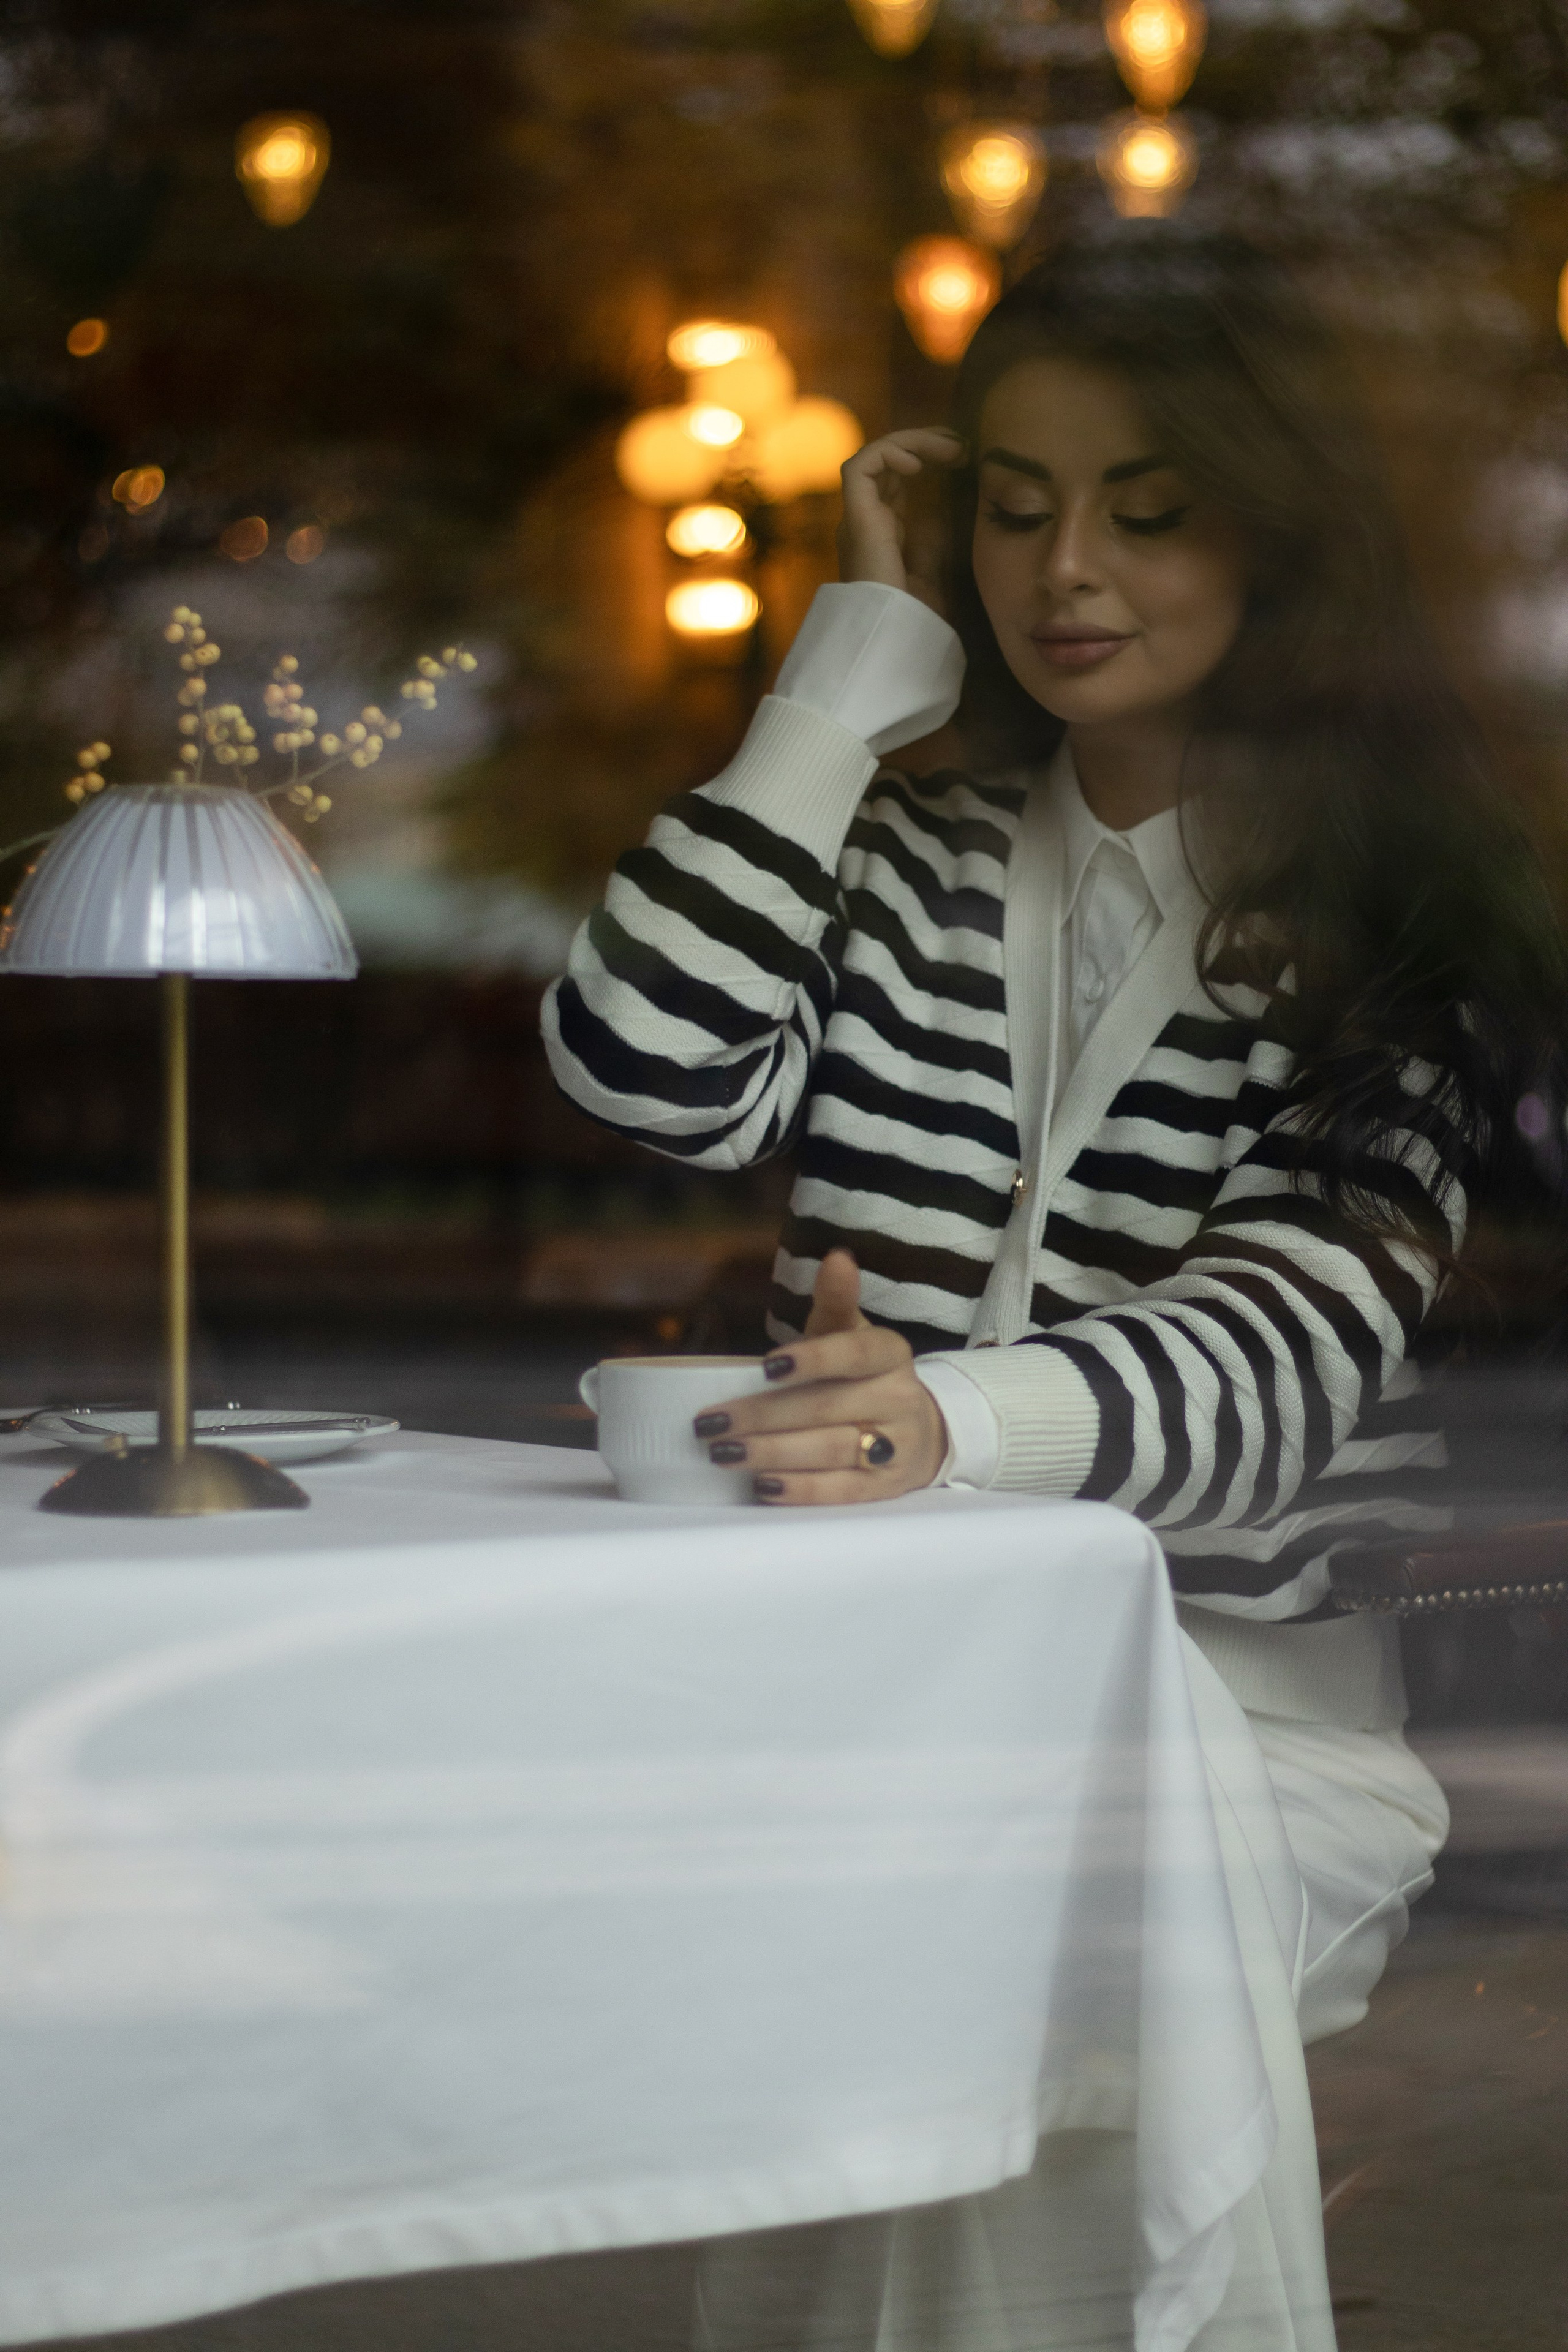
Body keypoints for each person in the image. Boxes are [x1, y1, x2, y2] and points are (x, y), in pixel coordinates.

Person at [542, 231, 1567, 2350]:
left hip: (1243, 1729)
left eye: (1149, 508)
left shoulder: (1413, 916)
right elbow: (644, 1066)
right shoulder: (900, 865)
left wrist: (948, 1419)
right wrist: (841, 679)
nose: (1064, 567)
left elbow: (1293, 1339)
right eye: (1013, 507)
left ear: (1277, 535)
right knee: (912, 1955)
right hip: (875, 1693)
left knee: (969, 1936)